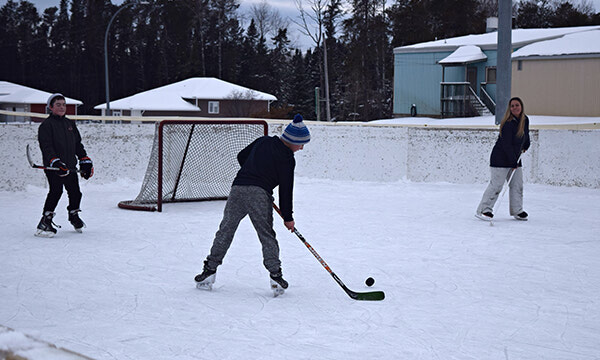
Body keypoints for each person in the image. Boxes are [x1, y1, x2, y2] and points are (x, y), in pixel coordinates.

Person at [194, 114, 311, 294]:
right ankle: (275, 276)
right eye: (301, 144)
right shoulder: (287, 158)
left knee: (226, 229)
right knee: (266, 234)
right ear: (292, 140)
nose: (301, 148)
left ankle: (209, 271)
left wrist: (254, 173)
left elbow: (242, 157)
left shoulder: (263, 141)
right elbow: (286, 189)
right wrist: (288, 217)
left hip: (238, 188)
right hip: (258, 194)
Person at [35, 93, 94, 237]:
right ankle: (45, 222)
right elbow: (47, 147)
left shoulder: (69, 124)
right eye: (58, 105)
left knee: (75, 192)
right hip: (54, 167)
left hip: (70, 166)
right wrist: (55, 161)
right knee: (56, 191)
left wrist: (84, 159)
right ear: (51, 107)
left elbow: (77, 144)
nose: (62, 107)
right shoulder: (46, 126)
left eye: (64, 104)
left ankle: (73, 215)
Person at [476, 97, 530, 221]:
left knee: (517, 185)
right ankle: (484, 210)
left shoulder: (525, 120)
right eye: (512, 106)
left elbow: (525, 135)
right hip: (500, 159)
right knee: (496, 185)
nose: (515, 108)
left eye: (517, 105)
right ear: (509, 109)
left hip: (515, 158)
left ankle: (517, 210)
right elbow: (506, 144)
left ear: (521, 106)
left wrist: (526, 144)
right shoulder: (508, 123)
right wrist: (512, 161)